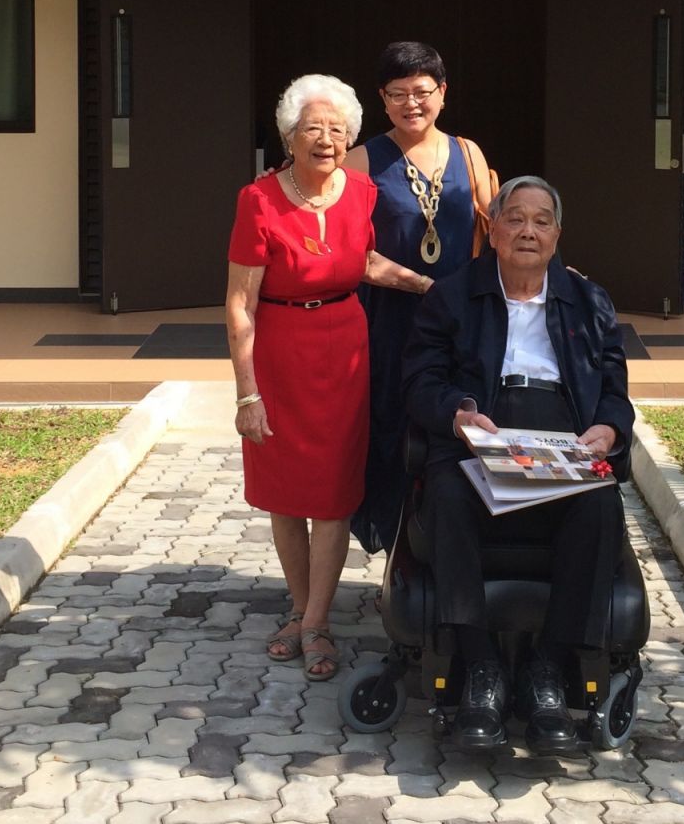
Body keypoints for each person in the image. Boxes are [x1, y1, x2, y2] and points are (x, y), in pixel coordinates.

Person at [402, 176, 633, 754]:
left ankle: (549, 670)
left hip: (563, 432)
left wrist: (608, 429)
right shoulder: (452, 296)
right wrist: (456, 415)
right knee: (449, 492)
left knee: (599, 501)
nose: (528, 230)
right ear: (493, 229)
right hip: (483, 433)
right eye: (516, 219)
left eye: (542, 220)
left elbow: (613, 390)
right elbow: (420, 382)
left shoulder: (589, 300)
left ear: (557, 234)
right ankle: (480, 669)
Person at [226, 73, 432, 681]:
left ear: (350, 138)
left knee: (335, 494)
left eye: (337, 130)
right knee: (286, 495)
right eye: (312, 129)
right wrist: (247, 393)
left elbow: (362, 261)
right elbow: (240, 302)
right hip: (280, 354)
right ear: (290, 138)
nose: (326, 140)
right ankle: (303, 610)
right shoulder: (258, 200)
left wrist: (430, 288)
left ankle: (314, 621)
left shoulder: (363, 192)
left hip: (343, 353)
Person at [344, 41, 494, 555]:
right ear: (382, 100)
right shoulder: (360, 160)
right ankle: (400, 553)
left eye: (423, 92)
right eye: (398, 93)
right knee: (390, 432)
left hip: (458, 325)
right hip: (387, 323)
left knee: (454, 429)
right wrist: (427, 287)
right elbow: (351, 253)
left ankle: (445, 547)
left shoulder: (468, 153)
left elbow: (494, 231)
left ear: (443, 93)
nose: (412, 103)